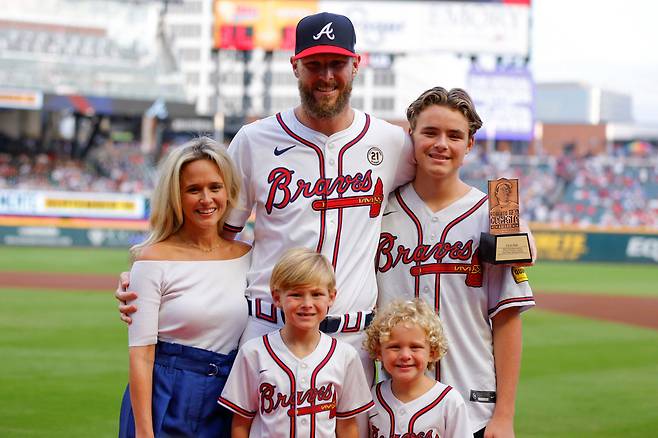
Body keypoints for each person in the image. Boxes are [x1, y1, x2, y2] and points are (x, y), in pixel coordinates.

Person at [116, 11, 414, 385]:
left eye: (336, 63)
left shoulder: (390, 142)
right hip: (268, 332)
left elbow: (436, 194)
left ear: (355, 65)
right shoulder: (254, 140)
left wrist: (502, 229)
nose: (326, 76)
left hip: (353, 339)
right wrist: (150, 271)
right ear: (295, 66)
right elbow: (214, 236)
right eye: (314, 64)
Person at [375, 87, 535, 438]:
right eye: (430, 132)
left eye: (455, 135)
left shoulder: (495, 215)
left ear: (470, 145)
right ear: (411, 135)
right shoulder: (378, 212)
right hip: (393, 412)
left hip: (474, 407)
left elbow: (507, 317)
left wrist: (504, 416)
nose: (441, 144)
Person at [118, 138, 251, 438]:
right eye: (193, 189)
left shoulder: (249, 256)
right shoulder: (152, 259)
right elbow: (141, 355)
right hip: (166, 394)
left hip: (227, 397)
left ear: (228, 191)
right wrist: (143, 432)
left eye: (214, 187)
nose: (206, 199)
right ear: (176, 196)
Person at [218, 248, 374, 438]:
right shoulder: (254, 352)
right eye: (296, 294)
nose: (307, 303)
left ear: (331, 297)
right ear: (277, 298)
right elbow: (241, 423)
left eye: (316, 294)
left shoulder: (345, 356)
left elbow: (347, 426)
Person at [364, 299, 471, 438]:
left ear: (432, 352)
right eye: (395, 347)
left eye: (415, 347)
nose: (405, 355)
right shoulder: (372, 398)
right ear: (379, 352)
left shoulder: (450, 401)